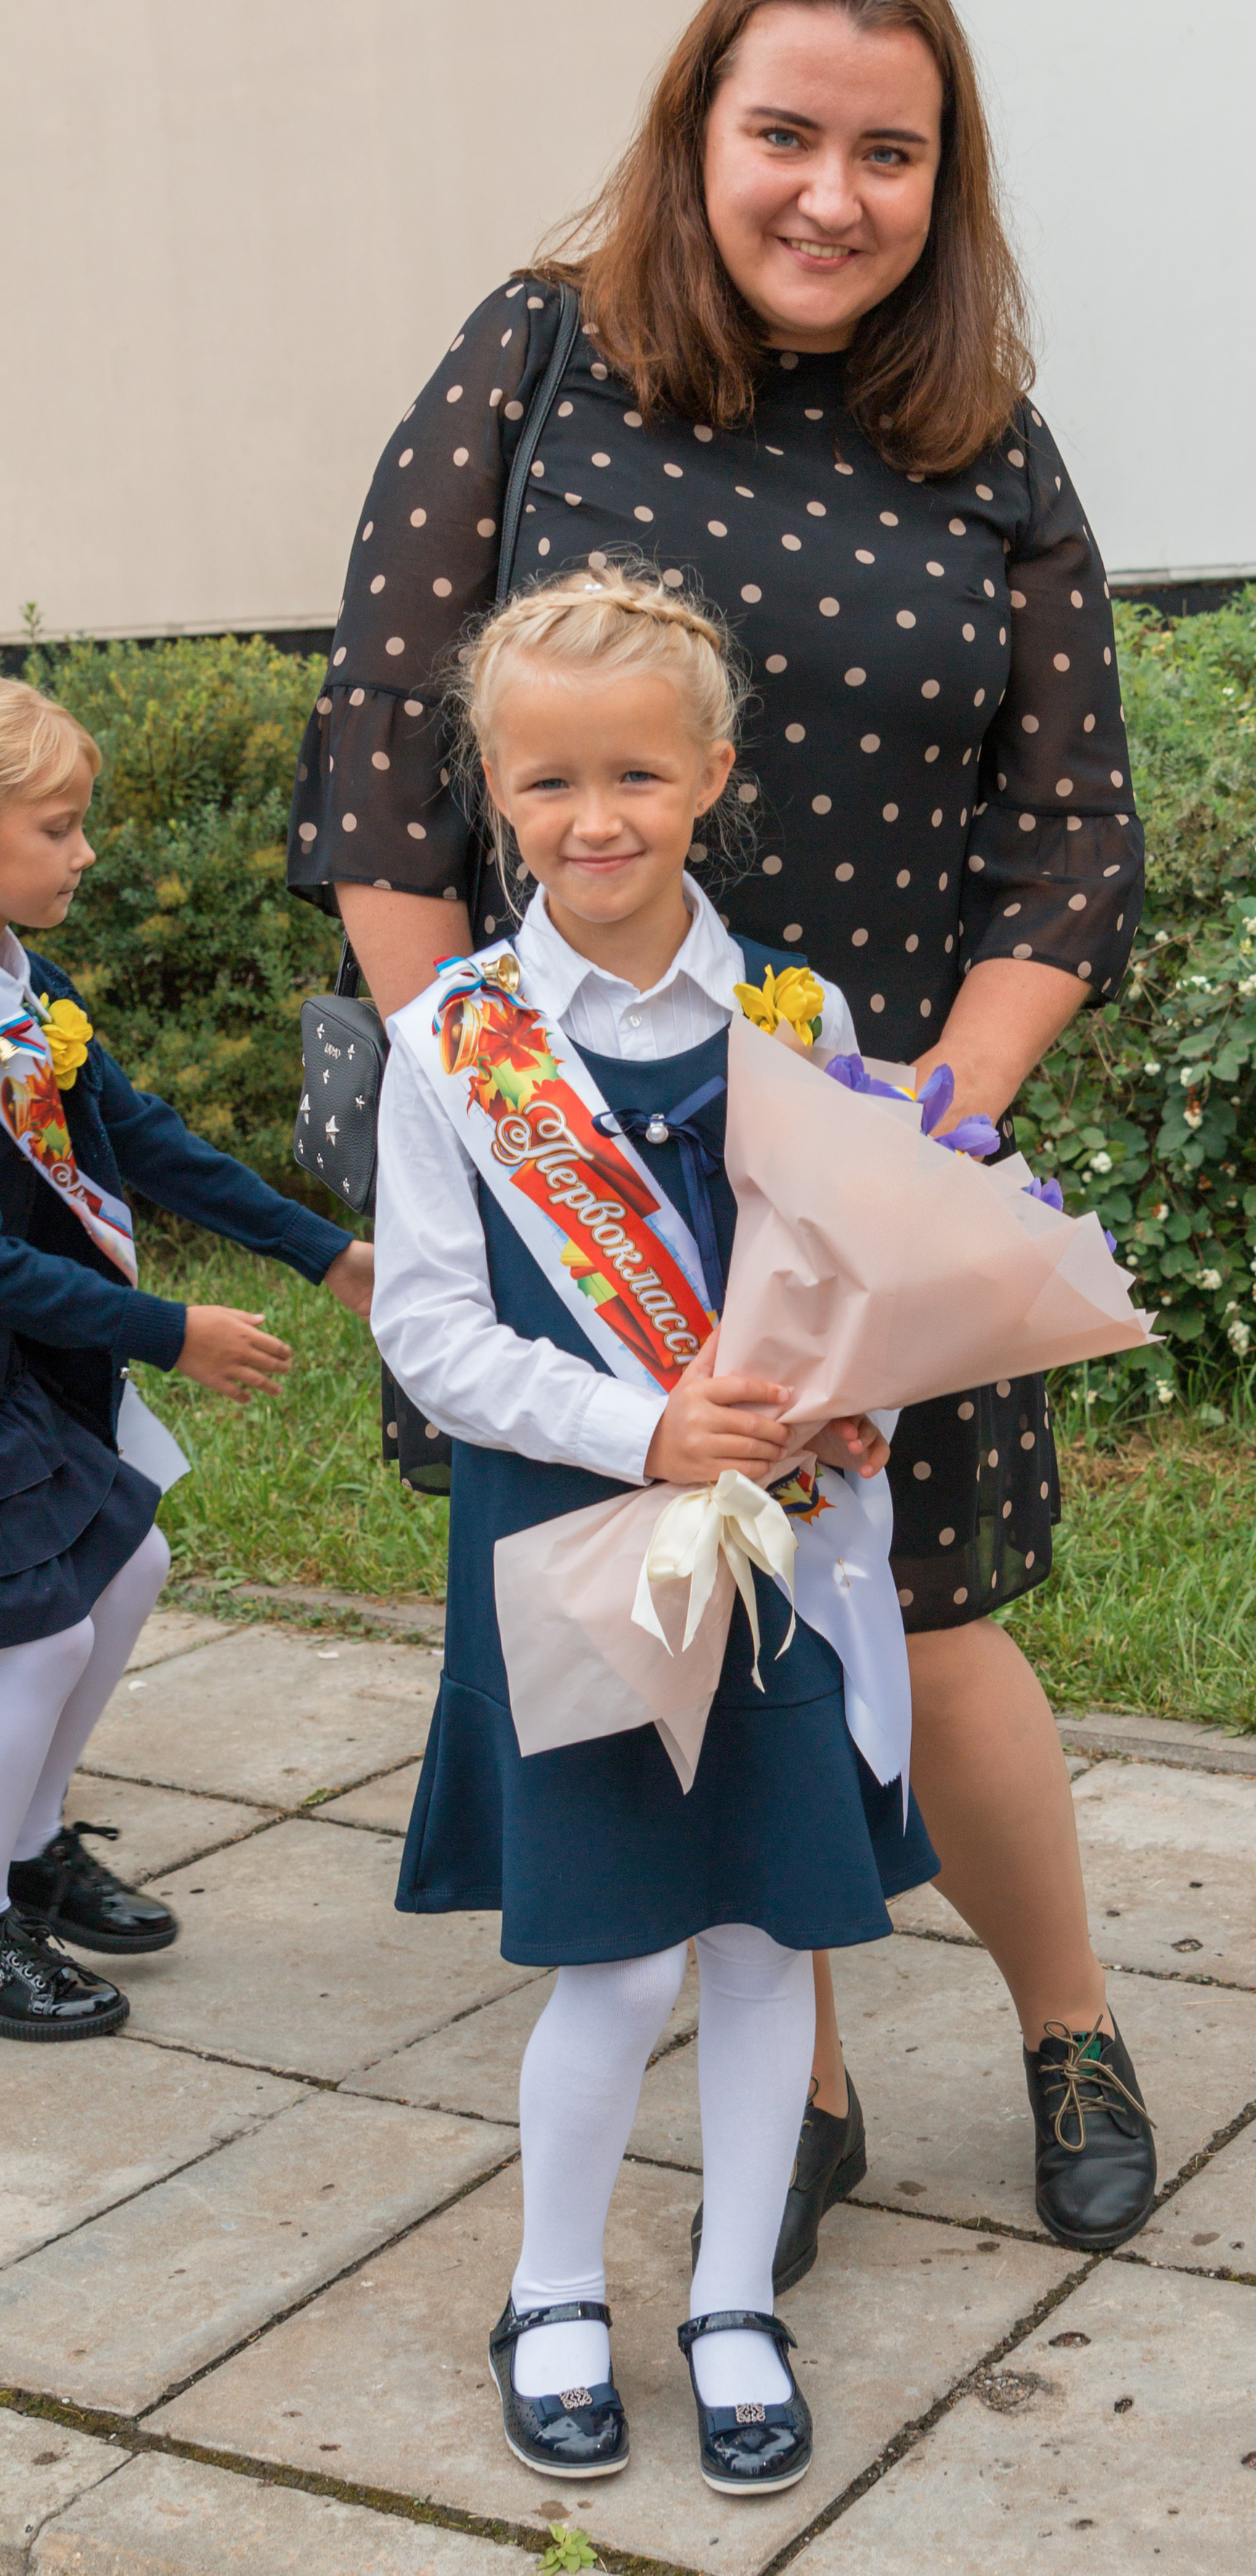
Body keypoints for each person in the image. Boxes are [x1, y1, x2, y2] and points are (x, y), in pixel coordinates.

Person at [291, 0, 1154, 2262]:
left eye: (892, 151)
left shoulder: (985, 447)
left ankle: (1071, 2028)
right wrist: (466, 1098)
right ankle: (813, 2089)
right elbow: (384, 764)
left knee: (932, 1615)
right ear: (698, 135)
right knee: (695, 1609)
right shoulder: (536, 362)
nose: (830, 192)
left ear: (941, 182)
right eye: (784, 132)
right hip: (582, 1147)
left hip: (862, 1169)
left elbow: (1068, 831)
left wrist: (923, 1147)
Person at [371, 562, 935, 2494]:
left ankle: (731, 2302)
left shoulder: (798, 1008)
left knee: (774, 1942)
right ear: (492, 792)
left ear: (711, 775)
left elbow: (861, 1263)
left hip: (775, 1551)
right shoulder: (457, 1042)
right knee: (612, 1963)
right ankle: (552, 2288)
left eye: (631, 774)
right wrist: (641, 1424)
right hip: (575, 1546)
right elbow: (429, 1331)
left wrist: (860, 1385)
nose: (589, 819)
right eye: (544, 784)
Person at [0, 677, 372, 2040]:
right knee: (33, 1636)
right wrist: (174, 1331)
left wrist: (319, 1252)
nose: (86, 852)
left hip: (33, 1370)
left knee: (134, 1563)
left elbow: (140, 1137)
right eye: (57, 827)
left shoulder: (26, 982)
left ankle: (29, 1849)